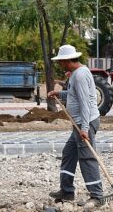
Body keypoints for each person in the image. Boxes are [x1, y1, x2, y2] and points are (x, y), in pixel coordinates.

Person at [47, 44, 103, 207]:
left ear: (66, 61)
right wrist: (60, 93)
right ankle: (67, 191)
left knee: (87, 157)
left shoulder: (79, 75)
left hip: (85, 122)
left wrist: (84, 128)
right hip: (79, 122)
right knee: (69, 153)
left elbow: (85, 103)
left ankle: (97, 196)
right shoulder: (77, 74)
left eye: (60, 61)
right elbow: (74, 94)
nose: (59, 64)